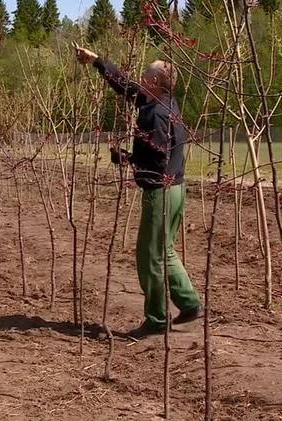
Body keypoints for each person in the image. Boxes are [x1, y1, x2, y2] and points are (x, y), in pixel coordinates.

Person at [75, 45, 203, 339]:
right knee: (164, 250)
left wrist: (128, 159)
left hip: (160, 190)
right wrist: (98, 61)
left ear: (155, 82)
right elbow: (127, 87)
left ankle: (157, 319)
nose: (141, 78)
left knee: (150, 256)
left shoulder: (156, 115)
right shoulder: (163, 102)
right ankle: (190, 303)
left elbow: (157, 155)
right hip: (174, 189)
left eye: (146, 74)